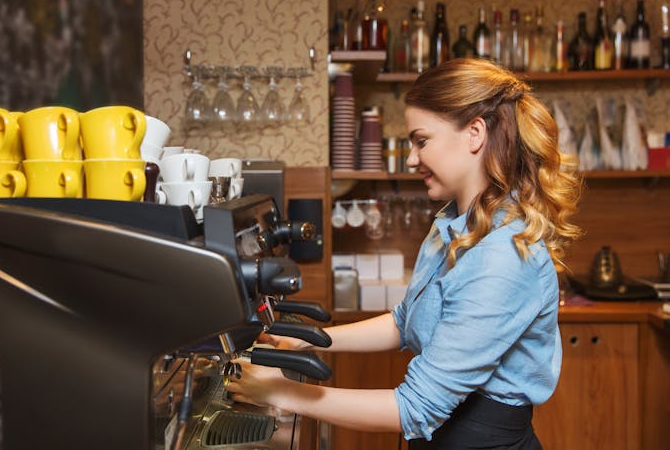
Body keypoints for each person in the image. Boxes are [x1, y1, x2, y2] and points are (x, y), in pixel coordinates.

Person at [225, 58, 582, 449]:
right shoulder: (453, 224)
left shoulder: (503, 256)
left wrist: (279, 393)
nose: (411, 158)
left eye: (421, 140)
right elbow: (404, 321)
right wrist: (311, 340)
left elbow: (414, 407)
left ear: (474, 134)